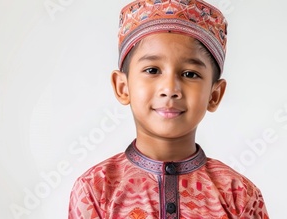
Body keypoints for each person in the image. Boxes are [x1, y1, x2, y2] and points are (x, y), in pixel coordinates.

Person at [68, 0, 270, 218]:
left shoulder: (238, 194)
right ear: (123, 87)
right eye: (152, 70)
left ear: (214, 95)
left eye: (190, 74)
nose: (170, 89)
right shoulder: (95, 190)